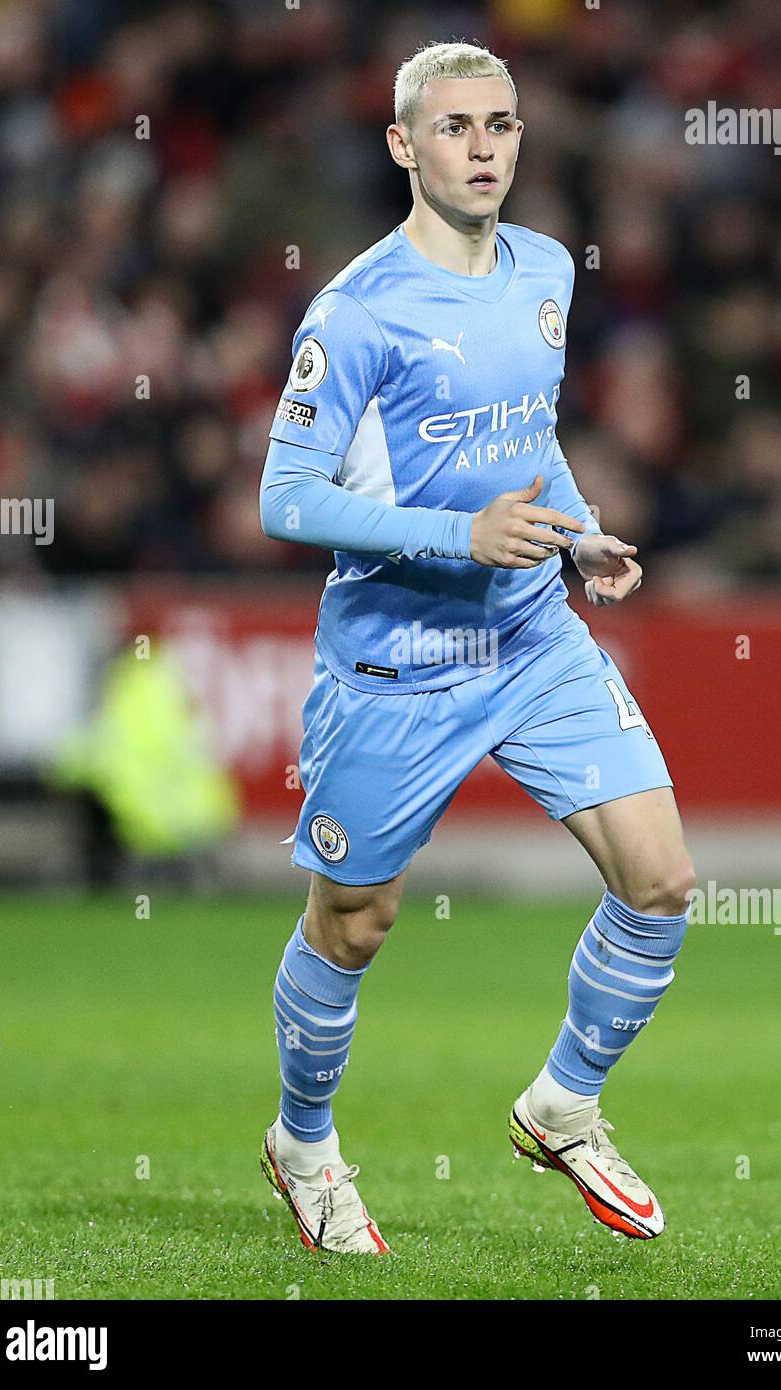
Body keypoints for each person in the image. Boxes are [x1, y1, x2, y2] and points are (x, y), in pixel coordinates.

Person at [258, 40, 695, 1254]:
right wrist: (462, 533)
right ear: (404, 145)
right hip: (397, 661)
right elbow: (283, 499)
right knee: (354, 921)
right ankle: (303, 1139)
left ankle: (562, 1103)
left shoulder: (546, 268)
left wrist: (578, 533)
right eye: (454, 128)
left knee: (659, 882)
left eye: (500, 125)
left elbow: (526, 435)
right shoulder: (354, 312)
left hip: (530, 635)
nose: (484, 148)